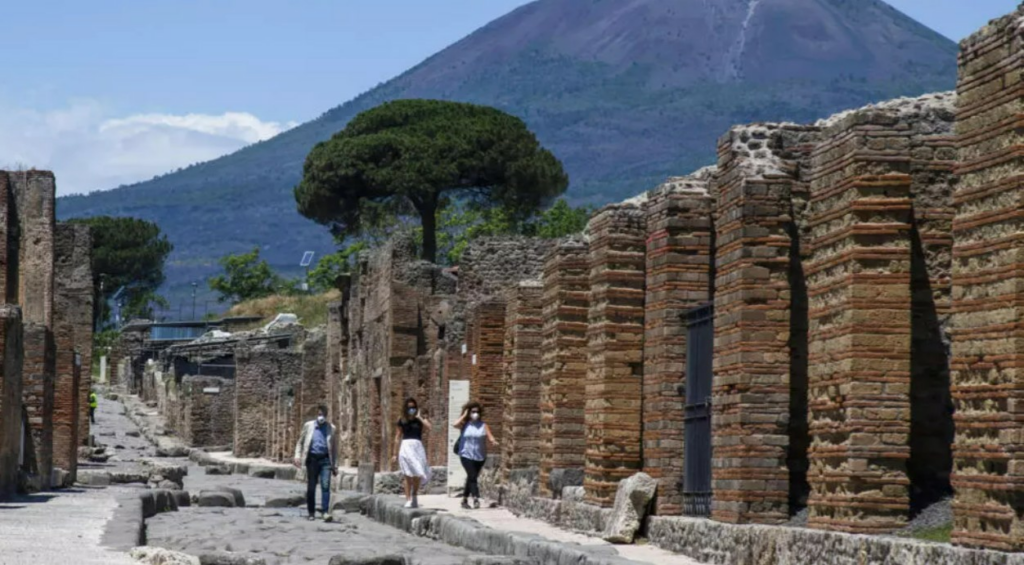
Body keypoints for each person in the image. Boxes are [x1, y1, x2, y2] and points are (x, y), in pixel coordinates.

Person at [293, 405, 338, 522]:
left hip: (325, 460)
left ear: (326, 415)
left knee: (325, 485)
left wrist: (335, 465)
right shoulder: (308, 426)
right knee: (311, 487)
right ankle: (311, 512)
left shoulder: (331, 428)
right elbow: (300, 442)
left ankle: (325, 512)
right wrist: (297, 456)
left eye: (323, 414)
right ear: (316, 415)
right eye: (319, 414)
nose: (321, 416)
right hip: (312, 459)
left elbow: (334, 449)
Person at [453, 402, 498, 509]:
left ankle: (464, 499)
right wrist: (464, 415)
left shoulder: (483, 425)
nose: (475, 414)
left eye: (477, 412)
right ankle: (476, 498)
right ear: (469, 412)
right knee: (473, 476)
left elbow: (490, 436)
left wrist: (493, 441)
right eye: (473, 412)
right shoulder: (464, 425)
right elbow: (454, 424)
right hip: (465, 454)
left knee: (471, 477)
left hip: (480, 456)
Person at [392, 397, 432, 508]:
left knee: (418, 473)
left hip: (417, 447)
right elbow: (397, 436)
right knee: (407, 475)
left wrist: (419, 417)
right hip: (406, 447)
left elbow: (429, 427)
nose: (412, 409)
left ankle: (414, 495)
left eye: (413, 407)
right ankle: (408, 499)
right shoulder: (402, 419)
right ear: (406, 408)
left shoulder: (420, 419)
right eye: (409, 407)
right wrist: (394, 453)